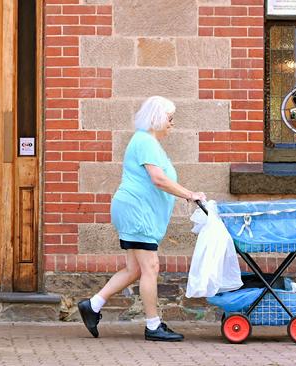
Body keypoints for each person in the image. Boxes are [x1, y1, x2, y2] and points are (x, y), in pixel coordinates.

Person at [77, 96, 206, 342]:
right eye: (169, 119)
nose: (172, 124)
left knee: (134, 268)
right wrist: (189, 194)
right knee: (150, 267)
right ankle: (153, 325)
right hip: (137, 213)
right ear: (157, 118)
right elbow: (158, 179)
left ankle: (92, 305)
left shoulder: (147, 142)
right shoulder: (145, 141)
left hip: (136, 212)